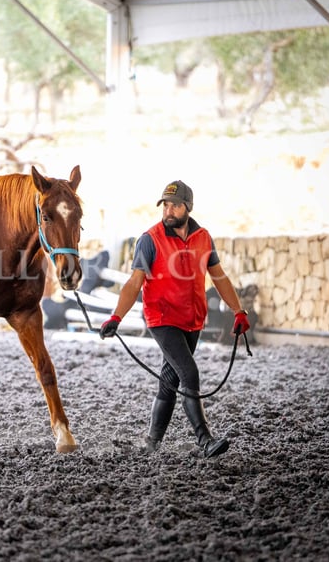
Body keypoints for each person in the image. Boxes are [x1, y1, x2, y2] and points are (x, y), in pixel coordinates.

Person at [99, 180, 250, 458]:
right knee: (189, 373)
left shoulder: (203, 237)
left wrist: (238, 311)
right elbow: (134, 283)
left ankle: (151, 444)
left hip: (193, 320)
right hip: (162, 318)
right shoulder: (149, 239)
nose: (168, 210)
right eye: (165, 205)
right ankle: (205, 440)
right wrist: (116, 317)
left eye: (174, 205)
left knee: (169, 380)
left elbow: (219, 277)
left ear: (187, 208)